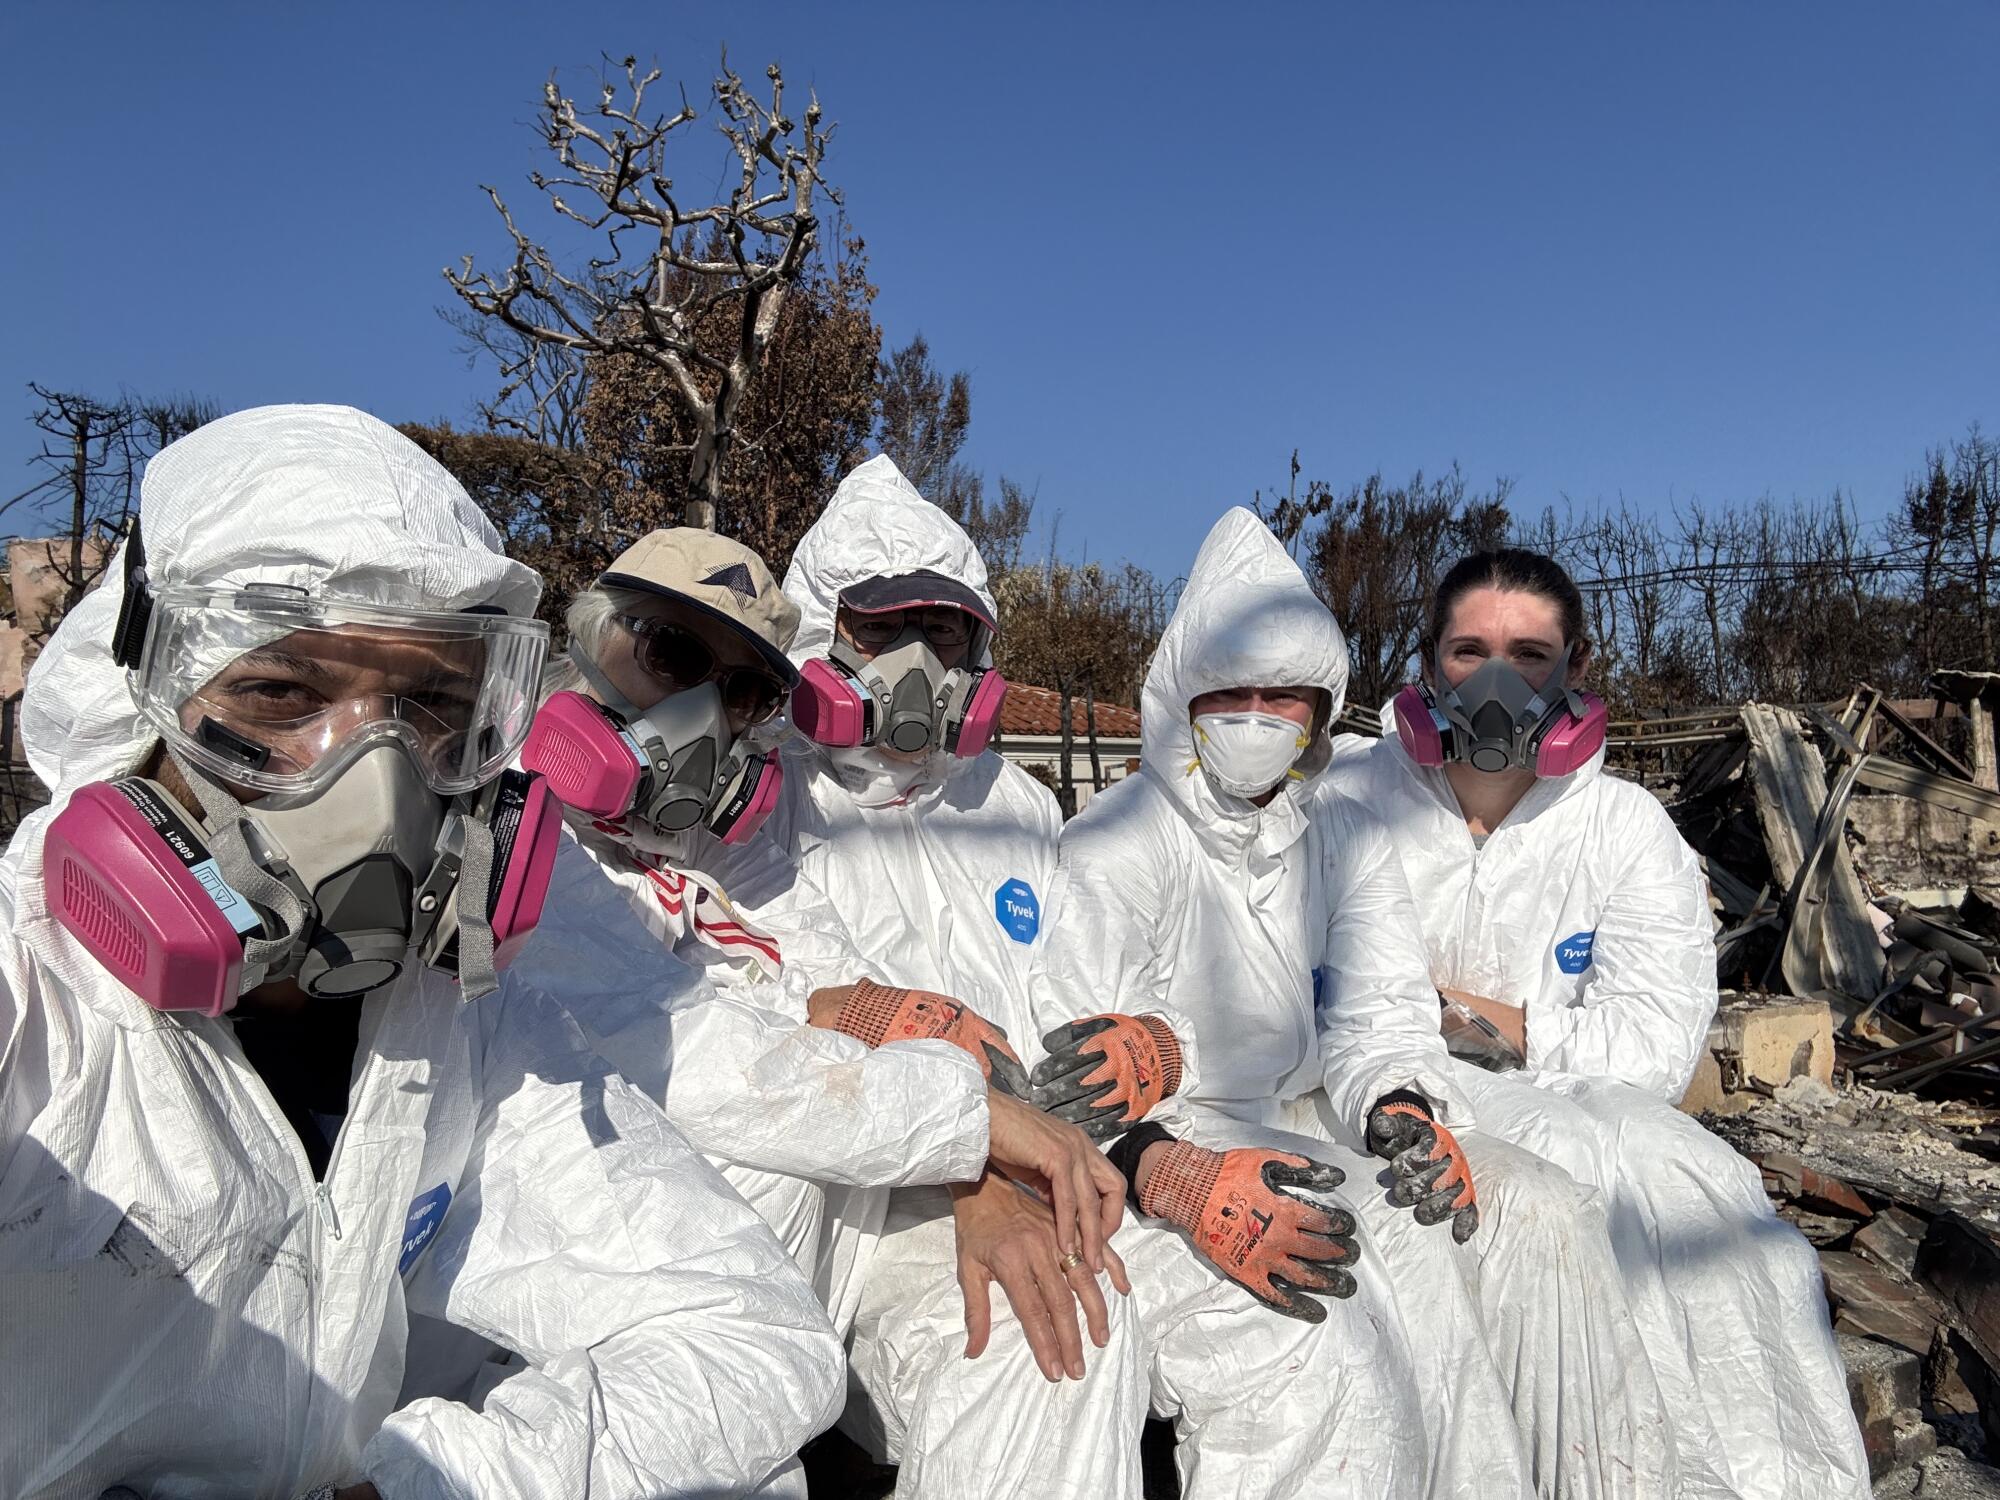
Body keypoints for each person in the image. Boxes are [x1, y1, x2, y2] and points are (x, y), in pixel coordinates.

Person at [0, 406, 844, 1499]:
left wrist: (435, 1483)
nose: (375, 770)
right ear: (140, 696)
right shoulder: (30, 998)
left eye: (435, 705)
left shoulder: (467, 1023)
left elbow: (751, 1330)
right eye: (280, 693)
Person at [753, 461, 1516, 1499]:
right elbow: (763, 1039)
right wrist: (969, 1168)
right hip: (885, 1212)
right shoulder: (765, 809)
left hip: (1068, 1171)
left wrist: (1155, 1087)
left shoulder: (1012, 806)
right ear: (819, 639)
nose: (919, 669)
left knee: (1308, 1317)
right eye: (883, 634)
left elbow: (1082, 1011)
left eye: (947, 639)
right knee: (1053, 1354)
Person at [1034, 507, 1679, 1499]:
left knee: (1430, 1289)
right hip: (1169, 1161)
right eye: (1230, 694)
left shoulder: (1336, 836)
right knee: (1323, 1354)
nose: (1257, 719)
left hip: (1293, 1122)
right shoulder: (1114, 846)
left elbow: (1376, 1009)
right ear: (1180, 699)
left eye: (1283, 700)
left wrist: (1399, 1105)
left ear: (1318, 714)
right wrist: (1167, 1171)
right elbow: (1067, 1071)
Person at [1323, 545, 1871, 1500]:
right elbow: (1321, 1003)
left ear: (1577, 670)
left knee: (1720, 1227)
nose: (1497, 680)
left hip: (1592, 1114)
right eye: (1469, 651)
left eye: (1530, 655)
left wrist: (1475, 1015)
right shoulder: (1346, 808)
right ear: (1425, 666)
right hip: (1393, 1110)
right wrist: (1455, 1027)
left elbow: (1657, 1045)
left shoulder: (1624, 829)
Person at [508, 523, 1125, 1305]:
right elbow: (669, 1039)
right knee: (765, 1172)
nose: (700, 711)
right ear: (594, 641)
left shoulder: (705, 840)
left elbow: (822, 969)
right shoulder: (513, 824)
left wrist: (862, 1015)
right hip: (539, 1274)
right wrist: (968, 1128)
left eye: (741, 691)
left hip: (758, 1292)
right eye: (673, 657)